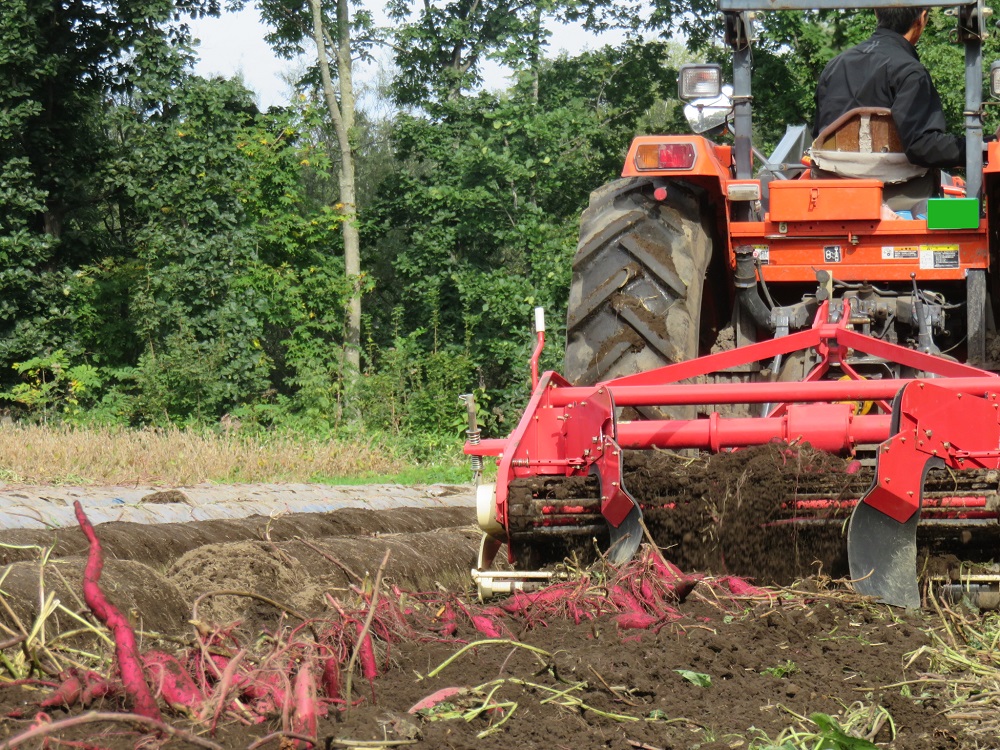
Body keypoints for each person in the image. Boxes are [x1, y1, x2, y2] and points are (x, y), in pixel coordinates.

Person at [813, 7, 965, 170]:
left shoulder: (834, 67)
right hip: (898, 188)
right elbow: (922, 147)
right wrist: (979, 147)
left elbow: (819, 136)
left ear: (876, 13)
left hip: (833, 184)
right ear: (922, 18)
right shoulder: (911, 72)